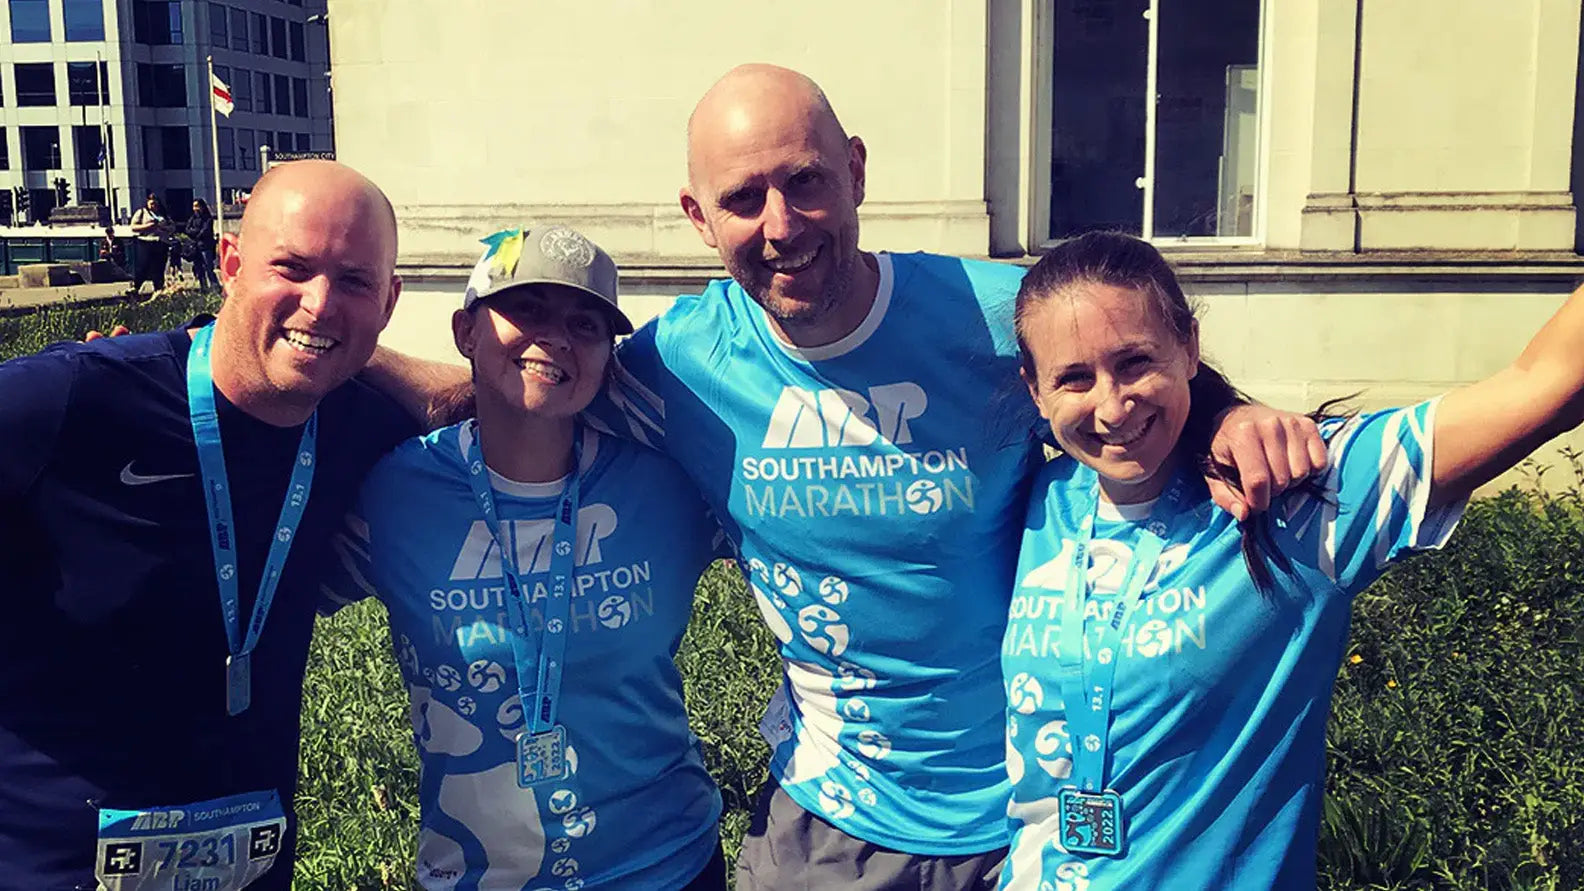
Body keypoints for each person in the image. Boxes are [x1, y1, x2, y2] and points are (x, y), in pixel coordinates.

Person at [581, 64, 1328, 890]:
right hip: (828, 828)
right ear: (697, 216)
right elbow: (529, 390)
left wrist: (1222, 413)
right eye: (742, 199)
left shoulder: (995, 313)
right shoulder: (682, 361)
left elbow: (1128, 365)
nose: (781, 225)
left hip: (1028, 821)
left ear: (857, 170)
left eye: (805, 181)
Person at [999, 231, 1584, 889]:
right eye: (1075, 377)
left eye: (1134, 362)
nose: (1111, 405)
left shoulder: (1295, 497)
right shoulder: (1036, 500)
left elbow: (1549, 384)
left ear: (1188, 346)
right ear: (1035, 388)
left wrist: (1229, 413)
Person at [0, 160, 413, 891]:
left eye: (354, 281)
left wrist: (361, 351)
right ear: (229, 263)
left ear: (390, 301)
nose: (319, 303)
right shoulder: (68, 402)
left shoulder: (365, 428)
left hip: (246, 865)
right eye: (291, 267)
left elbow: (491, 395)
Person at [326, 225, 729, 890]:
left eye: (586, 323)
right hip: (477, 875)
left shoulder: (668, 486)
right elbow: (274, 601)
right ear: (466, 332)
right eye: (527, 310)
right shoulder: (396, 491)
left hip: (668, 864)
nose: (557, 337)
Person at [129, 192, 173, 296]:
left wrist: (162, 227)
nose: (153, 206)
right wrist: (148, 226)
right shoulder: (142, 212)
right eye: (151, 203)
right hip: (145, 242)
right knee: (143, 265)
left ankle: (158, 288)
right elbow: (133, 227)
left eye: (155, 203)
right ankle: (136, 287)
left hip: (161, 242)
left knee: (159, 267)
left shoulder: (163, 214)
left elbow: (172, 227)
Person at [186, 199, 220, 291]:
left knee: (209, 268)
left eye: (197, 206)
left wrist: (196, 233)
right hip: (195, 247)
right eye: (194, 206)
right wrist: (195, 232)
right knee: (199, 269)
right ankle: (203, 288)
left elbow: (205, 231)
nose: (196, 209)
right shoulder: (192, 218)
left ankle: (215, 287)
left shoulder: (208, 218)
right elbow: (187, 230)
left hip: (206, 247)